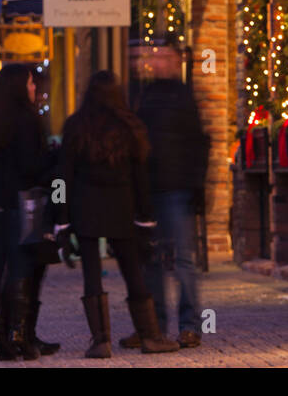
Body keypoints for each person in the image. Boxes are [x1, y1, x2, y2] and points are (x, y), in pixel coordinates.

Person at [56, 71, 179, 357]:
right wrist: (146, 216)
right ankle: (150, 336)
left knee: (91, 273)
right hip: (121, 207)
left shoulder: (76, 126)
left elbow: (63, 177)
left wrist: (61, 217)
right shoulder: (129, 126)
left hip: (85, 207)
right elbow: (141, 177)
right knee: (132, 270)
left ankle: (101, 341)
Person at [122, 47, 209, 349]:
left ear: (175, 62)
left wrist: (196, 187)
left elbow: (198, 143)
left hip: (176, 188)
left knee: (183, 259)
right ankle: (154, 326)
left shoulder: (181, 96)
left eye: (163, 57)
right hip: (150, 189)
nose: (155, 62)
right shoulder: (142, 95)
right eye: (154, 57)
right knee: (152, 261)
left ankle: (190, 326)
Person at [0, 63, 57, 361]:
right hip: (18, 201)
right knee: (20, 264)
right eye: (31, 84)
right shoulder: (27, 120)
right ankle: (18, 335)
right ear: (20, 87)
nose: (35, 88)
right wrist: (53, 157)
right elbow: (29, 167)